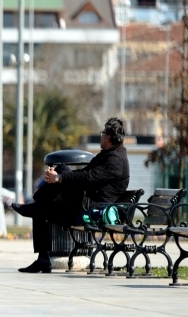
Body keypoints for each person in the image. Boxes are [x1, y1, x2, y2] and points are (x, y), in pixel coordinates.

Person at [12, 117, 130, 273]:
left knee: (61, 172)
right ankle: (43, 260)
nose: (101, 135)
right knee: (41, 208)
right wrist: (56, 179)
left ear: (107, 137)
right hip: (85, 205)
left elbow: (88, 178)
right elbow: (85, 173)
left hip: (90, 210)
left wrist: (59, 178)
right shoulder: (109, 155)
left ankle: (35, 205)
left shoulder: (115, 160)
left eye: (102, 133)